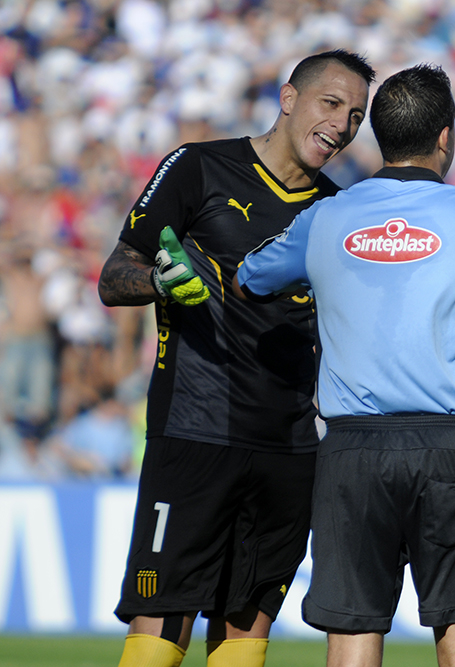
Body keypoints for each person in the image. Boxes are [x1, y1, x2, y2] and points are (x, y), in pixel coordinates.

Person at [233, 64, 455, 667]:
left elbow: (250, 278)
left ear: (378, 135)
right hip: (450, 447)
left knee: (352, 635)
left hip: (350, 449)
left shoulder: (326, 217)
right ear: (445, 136)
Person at [97, 50, 375, 667]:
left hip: (291, 450)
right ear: (287, 97)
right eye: (331, 103)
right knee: (162, 618)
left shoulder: (337, 211)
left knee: (246, 630)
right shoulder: (199, 166)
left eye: (356, 115)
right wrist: (161, 282)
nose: (342, 124)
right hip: (194, 436)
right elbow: (114, 275)